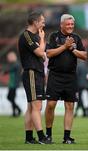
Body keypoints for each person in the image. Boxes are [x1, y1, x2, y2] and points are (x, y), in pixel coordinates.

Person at [45, 14, 87, 144]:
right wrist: (64, 46)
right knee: (51, 105)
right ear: (61, 25)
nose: (70, 27)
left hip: (71, 76)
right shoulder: (53, 36)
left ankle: (67, 137)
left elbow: (84, 55)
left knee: (69, 106)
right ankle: (48, 135)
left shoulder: (76, 38)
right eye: (68, 24)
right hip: (55, 75)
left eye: (72, 24)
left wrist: (73, 49)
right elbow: (49, 53)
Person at [18, 11, 51, 144]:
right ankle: (41, 136)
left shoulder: (34, 36)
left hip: (37, 73)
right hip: (31, 72)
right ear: (35, 22)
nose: (44, 23)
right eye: (42, 21)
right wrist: (42, 39)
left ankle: (29, 138)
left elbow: (43, 54)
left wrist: (42, 48)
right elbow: (39, 52)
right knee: (36, 106)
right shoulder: (27, 35)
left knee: (32, 107)